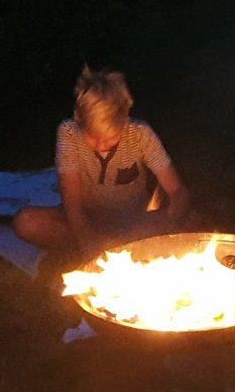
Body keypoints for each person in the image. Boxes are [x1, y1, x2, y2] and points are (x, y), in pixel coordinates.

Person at [13, 66, 190, 260]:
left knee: (176, 223)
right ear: (79, 119)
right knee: (26, 222)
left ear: (124, 121)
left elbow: (177, 190)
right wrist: (87, 240)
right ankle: (95, 249)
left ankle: (120, 248)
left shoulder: (140, 134)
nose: (100, 146)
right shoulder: (69, 133)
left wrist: (172, 216)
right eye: (92, 137)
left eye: (110, 138)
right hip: (87, 220)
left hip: (134, 223)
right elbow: (72, 201)